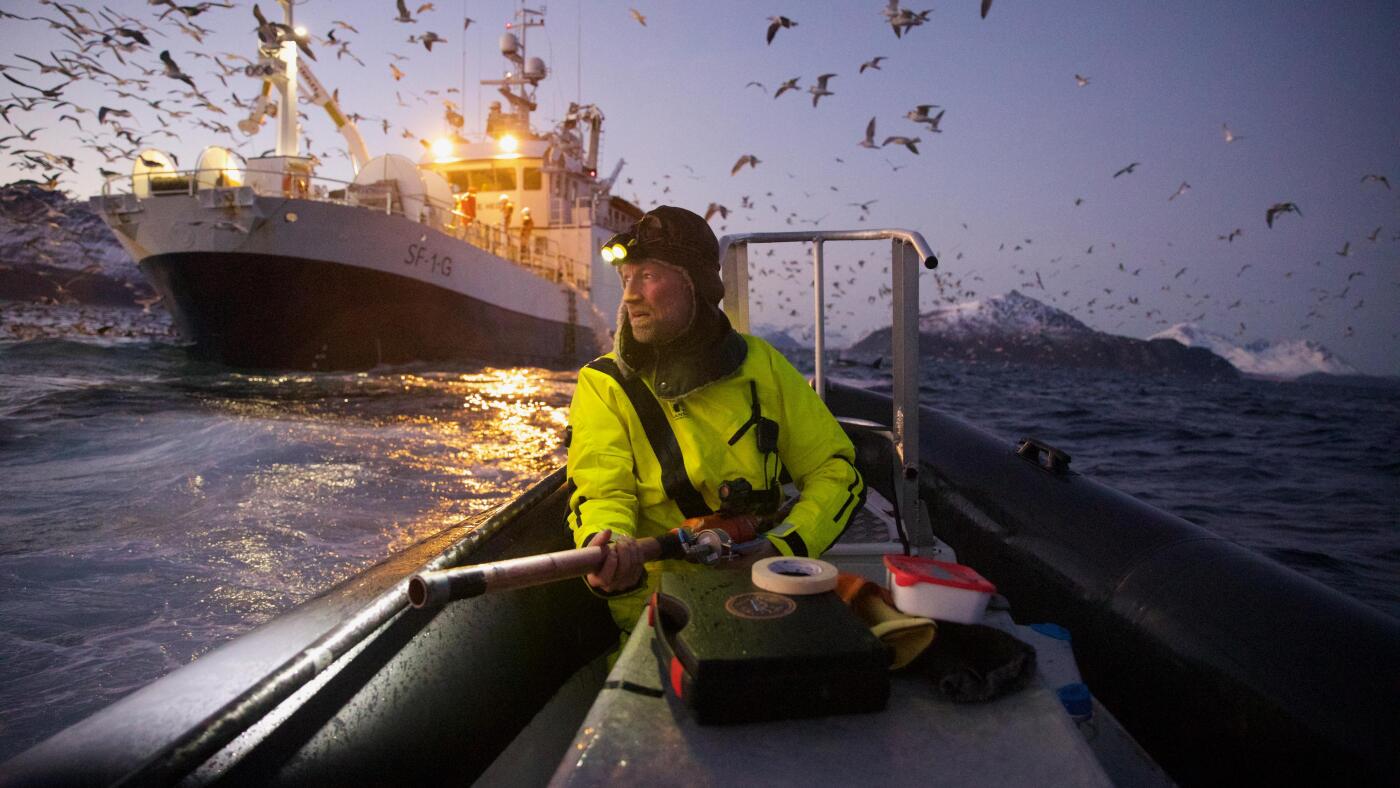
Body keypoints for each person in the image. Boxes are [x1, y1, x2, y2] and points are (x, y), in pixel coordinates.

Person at [565, 205, 866, 643]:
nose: (629, 295)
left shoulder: (762, 364)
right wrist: (607, 548)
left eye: (648, 276)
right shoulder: (603, 383)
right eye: (627, 278)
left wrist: (782, 549)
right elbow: (601, 492)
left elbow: (836, 472)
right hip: (660, 616)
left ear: (695, 287)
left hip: (771, 591)